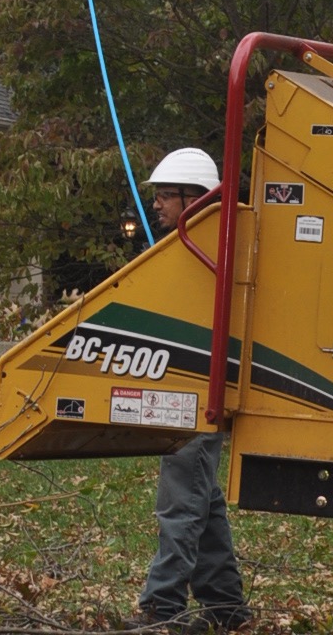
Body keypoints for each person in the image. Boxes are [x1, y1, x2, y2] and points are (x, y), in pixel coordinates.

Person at [138, 149, 255, 631]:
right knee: (203, 504)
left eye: (165, 196)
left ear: (194, 198)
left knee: (180, 504)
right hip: (192, 390)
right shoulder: (200, 248)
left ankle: (162, 607)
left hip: (197, 394)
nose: (158, 206)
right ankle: (227, 609)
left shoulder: (209, 249)